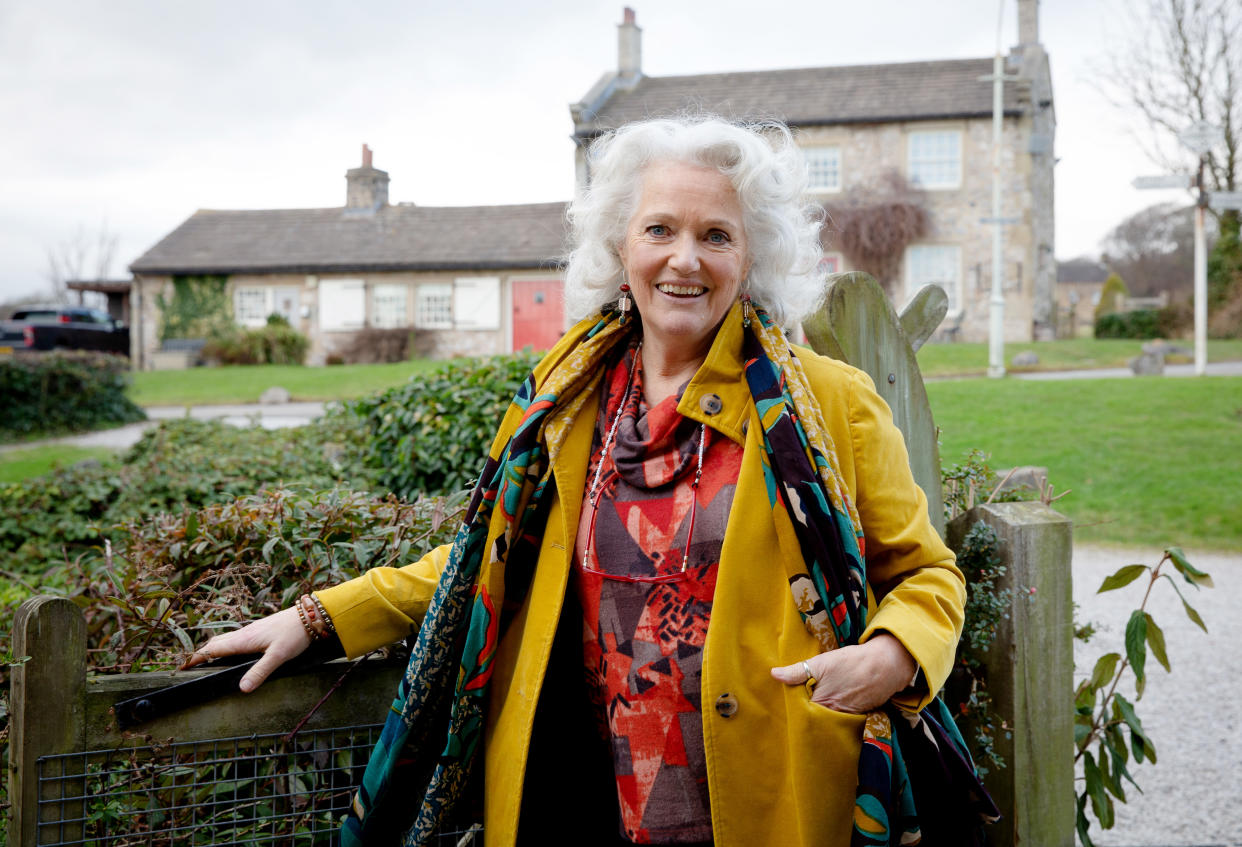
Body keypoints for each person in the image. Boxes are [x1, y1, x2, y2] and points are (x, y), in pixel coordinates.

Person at [186, 116, 968, 847]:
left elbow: (928, 574)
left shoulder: (829, 402)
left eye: (716, 235)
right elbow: (485, 560)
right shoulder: (569, 399)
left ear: (751, 255)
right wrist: (320, 619)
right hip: (588, 799)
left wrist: (895, 655)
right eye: (659, 228)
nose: (684, 258)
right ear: (621, 246)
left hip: (779, 799)